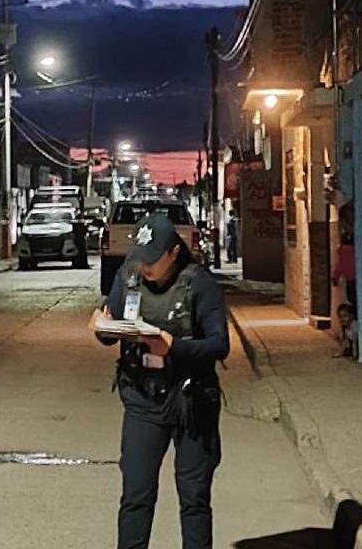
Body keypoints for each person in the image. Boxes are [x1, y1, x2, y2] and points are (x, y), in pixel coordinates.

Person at [95, 213, 229, 549]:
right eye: (140, 257)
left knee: (194, 498)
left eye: (153, 260)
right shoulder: (128, 276)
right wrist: (103, 327)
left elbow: (219, 344)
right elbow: (112, 328)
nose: (145, 266)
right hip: (143, 397)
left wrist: (174, 347)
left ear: (174, 252)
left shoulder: (199, 283)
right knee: (135, 494)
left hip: (191, 400)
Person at [332, 234, 356, 314]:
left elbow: (341, 265)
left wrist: (335, 277)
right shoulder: (355, 249)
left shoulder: (342, 250)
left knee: (351, 299)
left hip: (350, 278)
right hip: (357, 278)